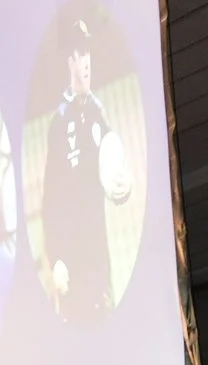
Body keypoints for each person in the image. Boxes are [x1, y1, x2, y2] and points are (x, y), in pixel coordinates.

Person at [41, 9, 130, 322]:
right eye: (79, 53)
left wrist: (123, 187)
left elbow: (113, 170)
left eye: (88, 51)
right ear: (69, 61)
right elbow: (50, 200)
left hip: (99, 265)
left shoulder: (97, 114)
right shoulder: (59, 123)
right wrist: (57, 258)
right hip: (73, 270)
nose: (86, 61)